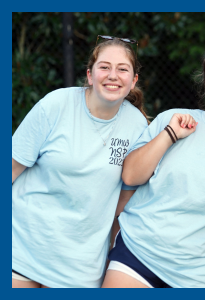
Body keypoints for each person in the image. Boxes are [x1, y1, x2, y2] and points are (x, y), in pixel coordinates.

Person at [101, 42, 205, 288]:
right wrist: (170, 134)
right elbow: (130, 176)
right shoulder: (172, 119)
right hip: (137, 256)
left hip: (195, 277)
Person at [12, 36, 149, 288]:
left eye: (122, 69)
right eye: (104, 67)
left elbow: (124, 202)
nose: (112, 75)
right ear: (89, 74)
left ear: (133, 81)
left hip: (80, 263)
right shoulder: (55, 105)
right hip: (22, 244)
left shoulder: (138, 127)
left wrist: (113, 256)